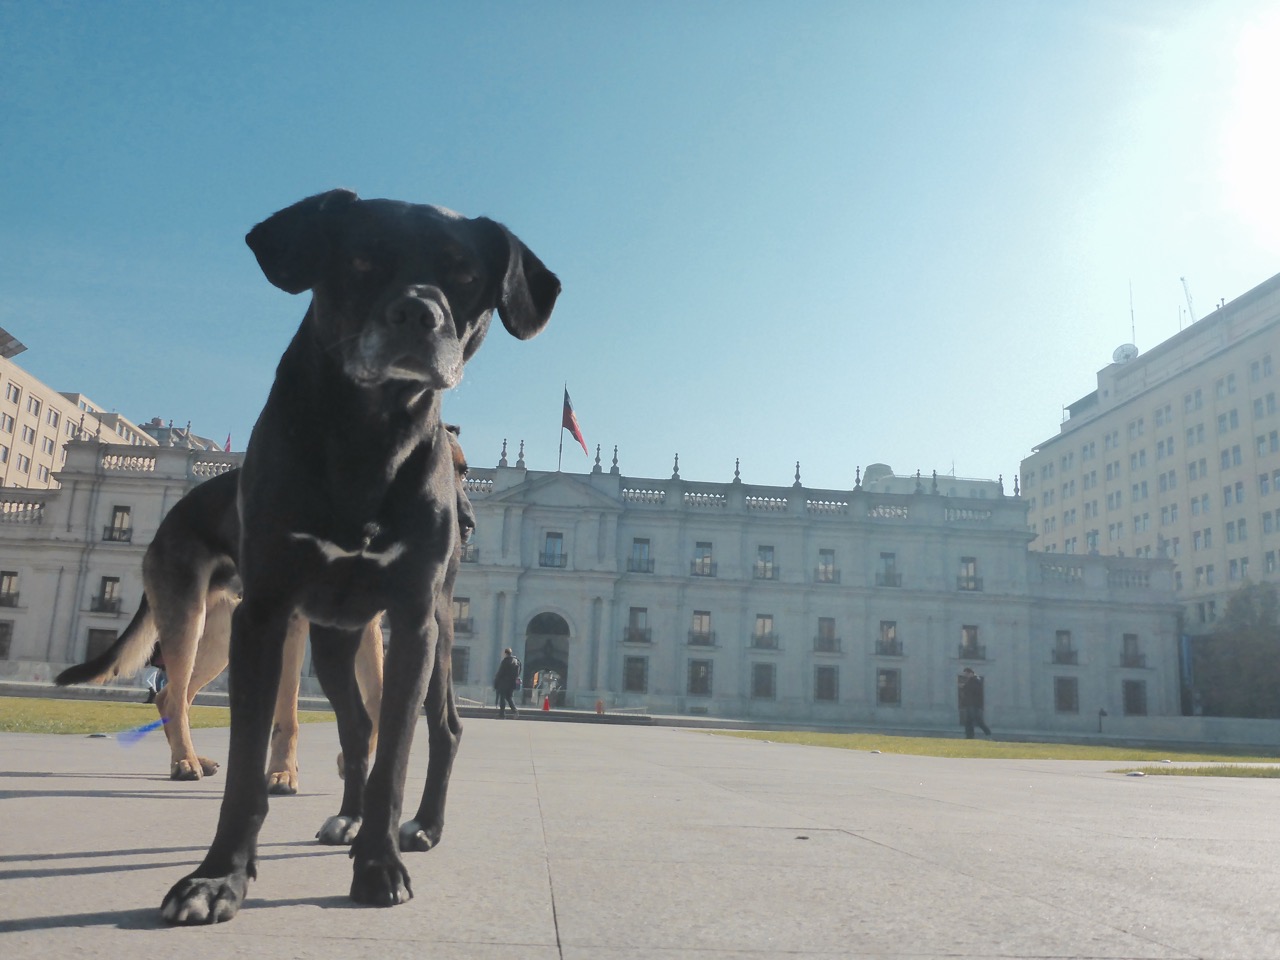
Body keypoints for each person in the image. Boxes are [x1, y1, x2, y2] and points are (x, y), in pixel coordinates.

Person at [958, 667, 991, 738]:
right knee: (970, 721)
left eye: (966, 674)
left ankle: (987, 733)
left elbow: (972, 691)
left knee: (975, 721)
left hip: (973, 704)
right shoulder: (973, 680)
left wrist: (963, 687)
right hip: (972, 704)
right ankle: (970, 736)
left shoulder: (975, 680)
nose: (966, 675)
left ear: (971, 673)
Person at [493, 647, 521, 719]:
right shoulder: (516, 661)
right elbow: (518, 673)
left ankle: (502, 714)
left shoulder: (505, 661)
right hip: (512, 683)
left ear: (505, 653)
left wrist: (496, 681)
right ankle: (515, 711)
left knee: (502, 698)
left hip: (503, 683)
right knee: (509, 697)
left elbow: (500, 672)